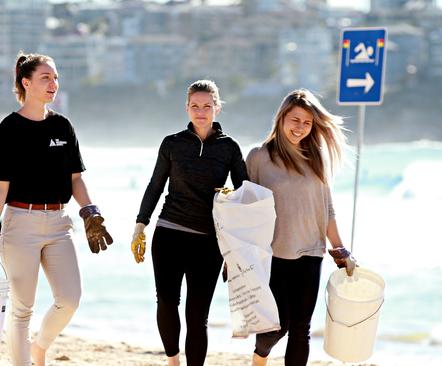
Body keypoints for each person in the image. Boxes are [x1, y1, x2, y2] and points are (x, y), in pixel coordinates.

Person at [0, 52, 113, 366]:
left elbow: (76, 179)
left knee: (69, 300)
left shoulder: (63, 126)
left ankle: (40, 346)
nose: (53, 84)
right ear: (26, 82)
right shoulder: (8, 129)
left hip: (60, 224)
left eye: (55, 77)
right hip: (21, 223)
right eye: (45, 78)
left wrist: (89, 211)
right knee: (22, 309)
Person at [130, 80, 248, 366]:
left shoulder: (229, 148)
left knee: (198, 316)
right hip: (169, 233)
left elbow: (245, 194)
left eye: (207, 106)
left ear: (217, 108)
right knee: (167, 303)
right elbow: (155, 185)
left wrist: (237, 248)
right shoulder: (172, 143)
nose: (201, 112)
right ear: (187, 108)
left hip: (208, 242)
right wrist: (140, 225)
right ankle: (172, 360)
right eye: (195, 106)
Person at [245, 89, 356, 366]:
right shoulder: (260, 156)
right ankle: (261, 356)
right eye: (295, 120)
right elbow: (245, 207)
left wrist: (340, 249)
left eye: (307, 123)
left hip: (311, 251)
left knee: (300, 329)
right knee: (276, 326)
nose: (300, 128)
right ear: (282, 118)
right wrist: (236, 254)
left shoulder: (317, 156)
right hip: (275, 253)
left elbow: (326, 208)